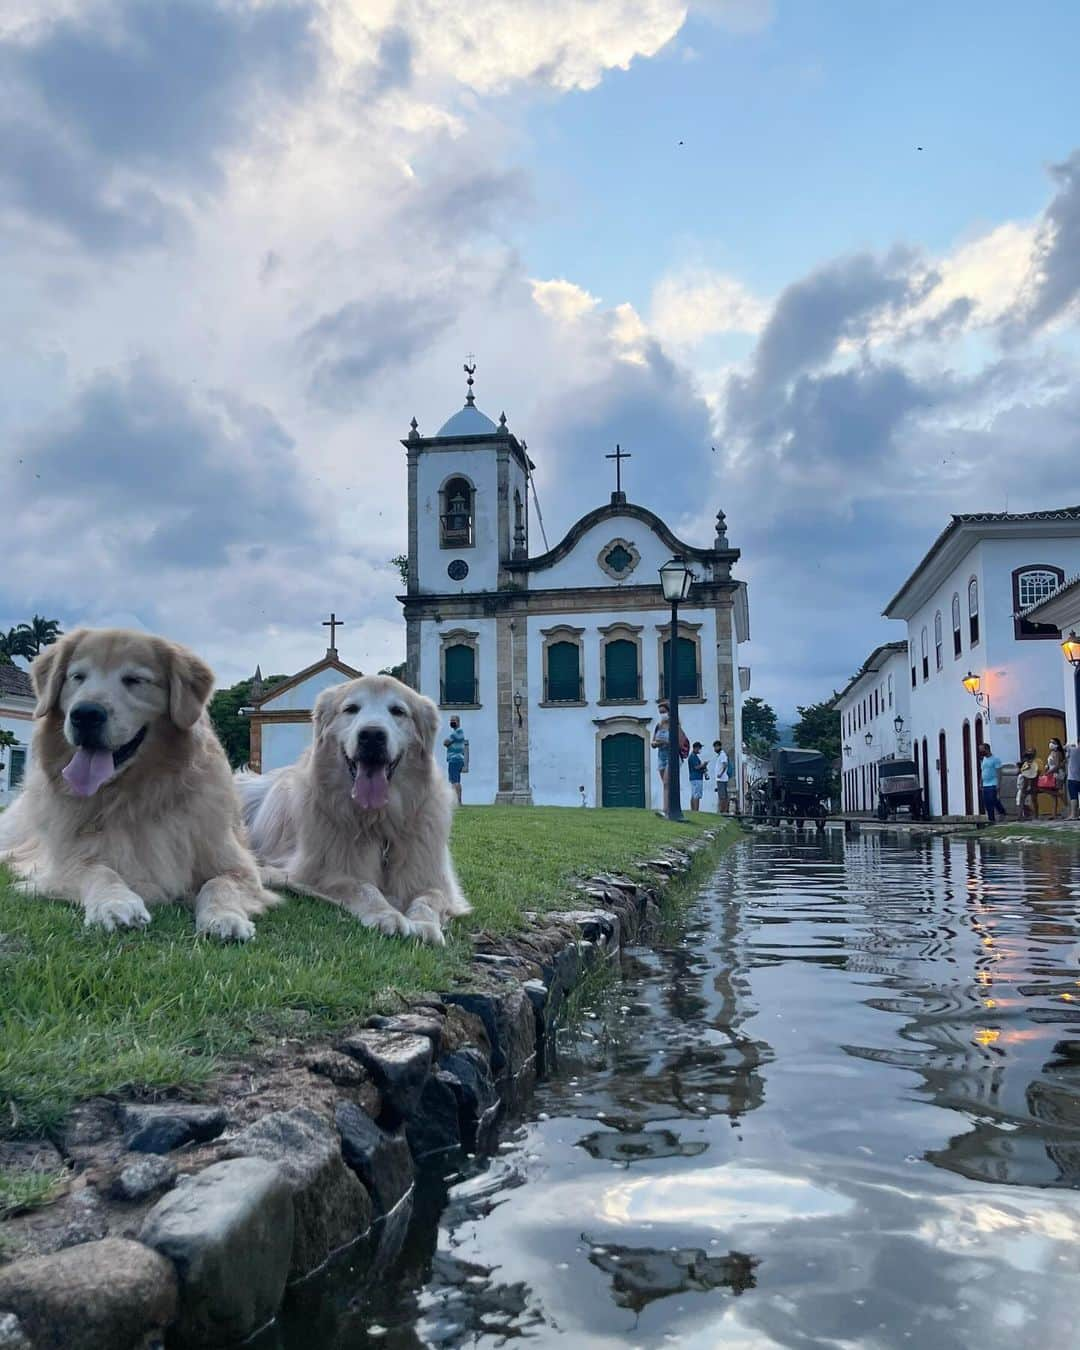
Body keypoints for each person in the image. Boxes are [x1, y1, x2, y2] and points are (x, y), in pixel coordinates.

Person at [980, 742, 1006, 823]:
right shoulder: (984, 759)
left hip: (993, 783)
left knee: (992, 801)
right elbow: (983, 771)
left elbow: (999, 772)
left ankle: (998, 815)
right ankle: (994, 817)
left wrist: (998, 784)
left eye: (982, 750)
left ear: (987, 749)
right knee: (987, 802)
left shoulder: (995, 759)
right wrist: (980, 781)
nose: (981, 752)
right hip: (985, 784)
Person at [443, 715, 466, 804]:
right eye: (451, 720)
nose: (452, 722)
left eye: (454, 720)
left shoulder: (457, 732)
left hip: (454, 759)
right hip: (458, 759)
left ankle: (456, 801)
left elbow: (445, 743)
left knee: (454, 781)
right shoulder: (458, 733)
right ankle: (458, 800)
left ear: (458, 722)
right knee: (457, 780)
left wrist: (448, 742)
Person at [1016, 747, 1040, 820]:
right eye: (1028, 752)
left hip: (1033, 783)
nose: (1030, 754)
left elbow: (1038, 772)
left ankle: (1036, 815)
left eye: (1031, 752)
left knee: (1034, 799)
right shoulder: (1025, 762)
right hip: (1025, 783)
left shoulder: (1037, 761)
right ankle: (1020, 816)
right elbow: (1020, 772)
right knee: (1022, 799)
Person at [1044, 737, 1066, 818]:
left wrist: (1049, 771)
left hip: (1058, 774)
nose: (1051, 744)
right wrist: (1047, 767)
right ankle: (1054, 814)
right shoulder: (1052, 752)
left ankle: (1068, 806)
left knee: (1058, 792)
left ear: (1057, 744)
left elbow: (1057, 765)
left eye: (1053, 742)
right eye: (1050, 742)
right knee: (1053, 795)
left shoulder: (1057, 753)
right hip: (1052, 773)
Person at [712, 739, 730, 815]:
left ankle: (723, 811)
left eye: (715, 747)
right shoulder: (720, 755)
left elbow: (725, 765)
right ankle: (724, 810)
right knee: (723, 795)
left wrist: (721, 774)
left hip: (722, 778)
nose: (714, 749)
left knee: (722, 796)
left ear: (719, 746)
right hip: (720, 778)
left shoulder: (722, 755)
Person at [687, 742, 707, 812]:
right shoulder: (693, 757)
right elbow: (696, 767)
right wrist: (703, 765)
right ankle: (696, 810)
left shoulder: (694, 756)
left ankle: (693, 810)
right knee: (696, 795)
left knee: (694, 794)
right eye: (699, 748)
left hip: (694, 778)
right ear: (695, 748)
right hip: (696, 778)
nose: (700, 750)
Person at [1067, 740, 1080, 822]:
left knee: (1073, 797)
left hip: (1072, 778)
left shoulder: (1073, 750)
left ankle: (1073, 814)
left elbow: (1064, 747)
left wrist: (1070, 745)